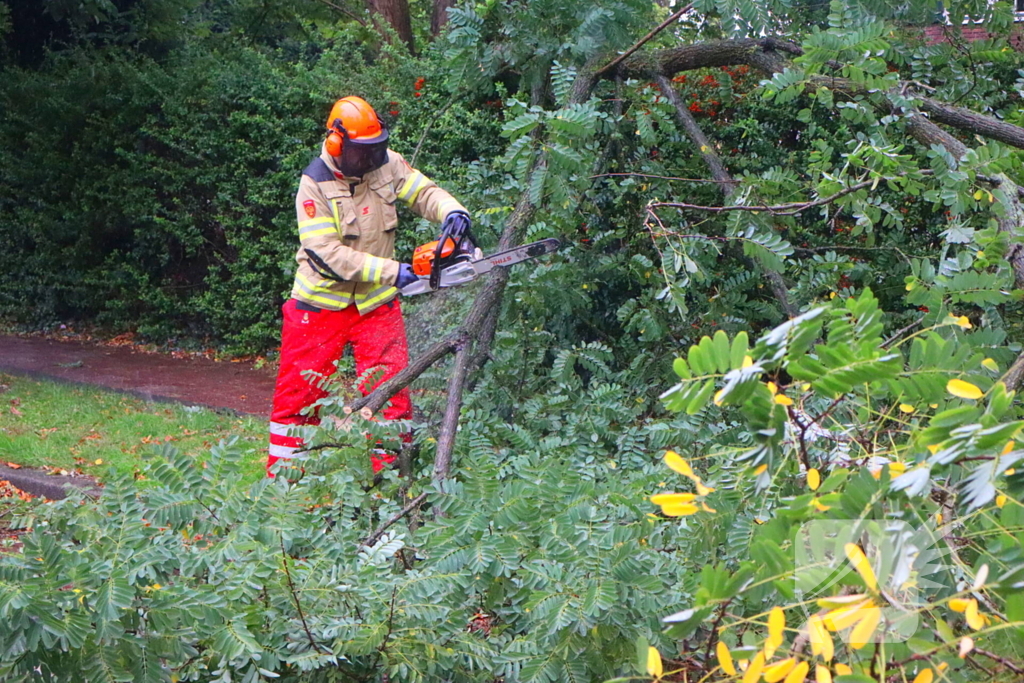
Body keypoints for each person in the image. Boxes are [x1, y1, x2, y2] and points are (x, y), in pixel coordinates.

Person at [267, 96, 473, 475]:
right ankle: (286, 485)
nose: (372, 158)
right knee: (299, 402)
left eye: (375, 148)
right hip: (319, 306)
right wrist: (393, 272)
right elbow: (326, 253)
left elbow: (424, 192)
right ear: (337, 144)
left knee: (392, 398)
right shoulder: (313, 185)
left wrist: (452, 212)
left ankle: (391, 480)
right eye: (363, 151)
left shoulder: (386, 163)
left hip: (376, 306)